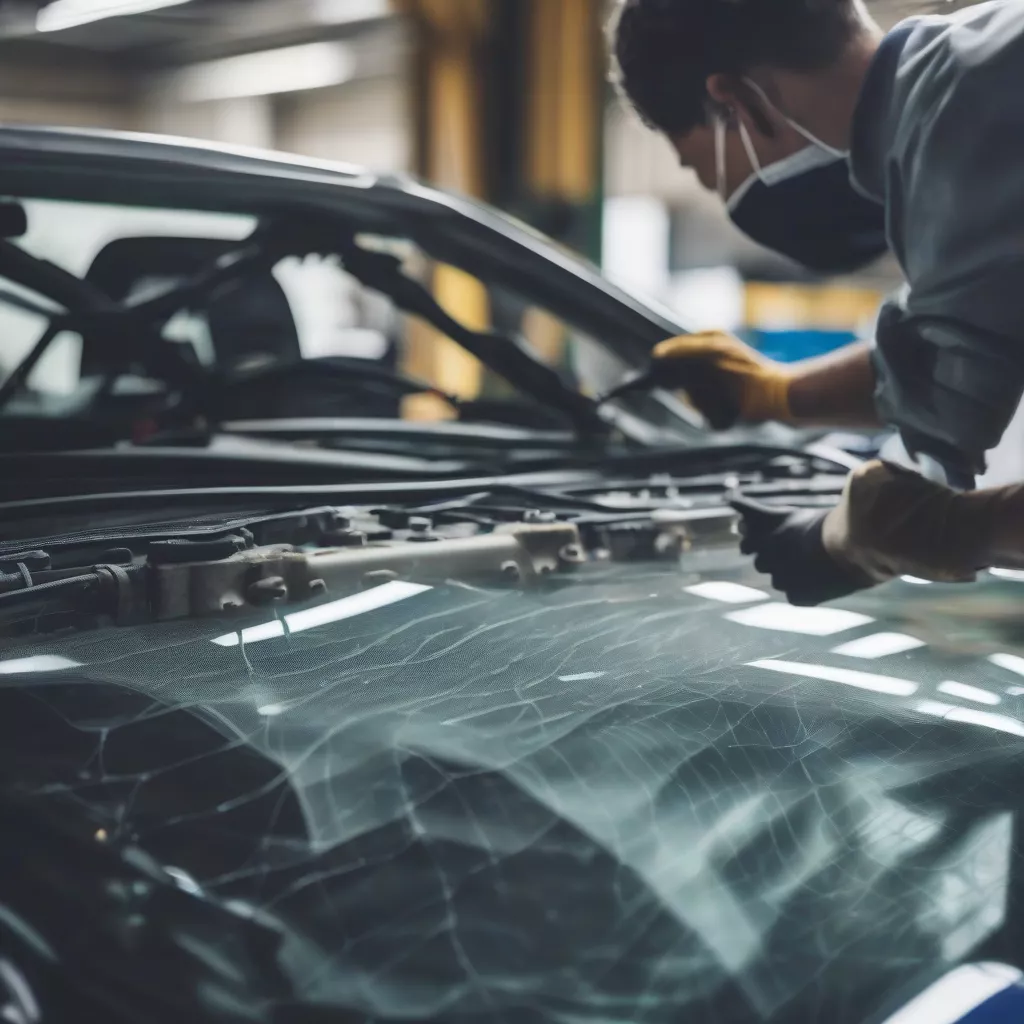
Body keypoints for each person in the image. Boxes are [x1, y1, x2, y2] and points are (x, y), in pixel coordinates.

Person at [607, 0, 1024, 603]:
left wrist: (961, 529)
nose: (718, 191)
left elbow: (951, 384)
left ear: (736, 103)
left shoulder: (962, 127)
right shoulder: (968, 71)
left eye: (704, 172)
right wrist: (775, 394)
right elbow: (948, 350)